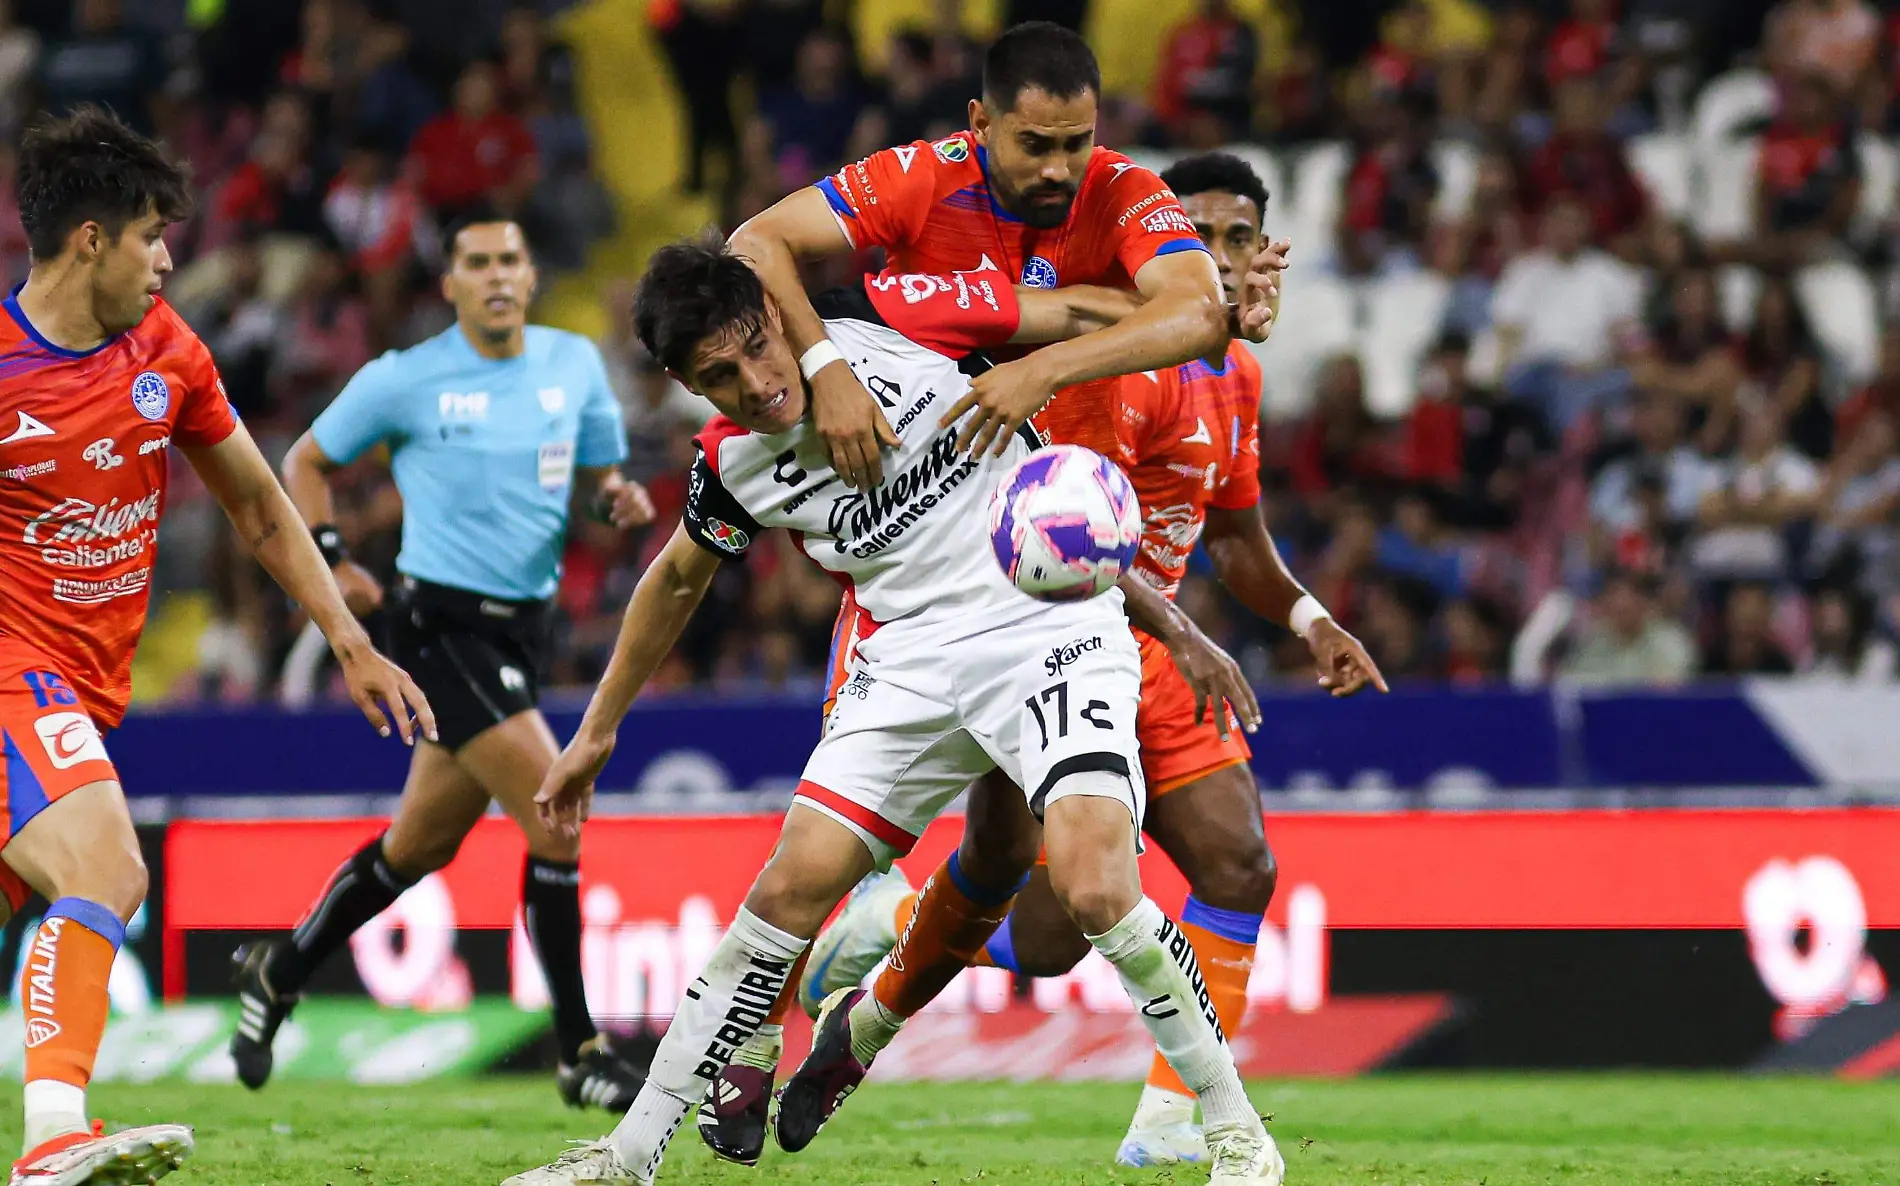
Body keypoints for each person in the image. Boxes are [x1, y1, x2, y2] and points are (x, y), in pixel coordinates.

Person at [498, 239, 1286, 1186]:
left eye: (759, 345)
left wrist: (1210, 312)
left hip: (1045, 629)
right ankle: (624, 1159)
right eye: (721, 376)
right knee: (788, 890)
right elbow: (673, 582)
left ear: (774, 313)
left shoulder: (890, 317)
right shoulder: (731, 466)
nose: (760, 383)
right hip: (908, 656)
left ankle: (1239, 1136)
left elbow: (1072, 314)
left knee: (1091, 889)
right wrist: (594, 732)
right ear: (684, 384)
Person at [776, 153, 1385, 1170]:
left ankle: (1164, 1122)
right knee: (1043, 922)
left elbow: (1232, 535)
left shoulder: (1233, 369)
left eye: (1238, 237)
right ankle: (883, 961)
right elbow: (1056, 528)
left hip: (1165, 642)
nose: (1218, 257)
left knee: (1239, 861)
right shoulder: (1104, 360)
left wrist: (1309, 615)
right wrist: (1182, 631)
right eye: (1194, 235)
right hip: (1063, 631)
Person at [0, 105, 430, 1185]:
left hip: (85, 690)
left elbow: (257, 503)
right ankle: (53, 1133)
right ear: (89, 239)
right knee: (105, 864)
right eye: (150, 234)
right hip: (15, 674)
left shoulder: (167, 351)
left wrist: (347, 639)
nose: (168, 256)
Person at [226, 216, 655, 1113]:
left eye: (510, 260)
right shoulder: (406, 378)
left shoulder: (572, 365)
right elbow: (303, 460)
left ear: (531, 276)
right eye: (477, 262)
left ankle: (280, 966)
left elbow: (595, 474)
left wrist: (613, 496)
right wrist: (337, 555)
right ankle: (579, 1050)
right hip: (438, 626)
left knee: (418, 845)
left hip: (522, 633)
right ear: (451, 282)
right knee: (556, 811)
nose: (497, 276)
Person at [727, 19, 1281, 491]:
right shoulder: (923, 177)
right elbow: (752, 242)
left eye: (1076, 143)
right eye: (1035, 145)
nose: (1057, 170)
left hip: (1071, 496)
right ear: (982, 124)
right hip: (920, 485)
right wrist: (826, 371)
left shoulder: (1121, 188)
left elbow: (1198, 311)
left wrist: (1045, 368)